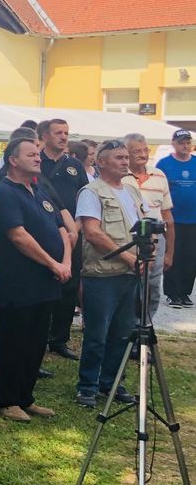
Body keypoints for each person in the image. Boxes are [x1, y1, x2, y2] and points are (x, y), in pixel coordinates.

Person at [0, 138, 71, 421]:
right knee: (15, 341)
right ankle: (8, 400)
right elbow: (18, 236)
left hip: (47, 281)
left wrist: (65, 262)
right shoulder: (4, 192)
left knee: (36, 341)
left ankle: (26, 397)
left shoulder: (39, 190)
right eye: (31, 154)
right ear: (13, 160)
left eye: (38, 154)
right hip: (19, 282)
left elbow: (62, 229)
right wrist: (52, 263)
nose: (38, 158)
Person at [75, 139, 146, 409]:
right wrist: (127, 257)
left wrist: (143, 255)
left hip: (130, 274)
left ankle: (112, 383)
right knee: (97, 334)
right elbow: (92, 233)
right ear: (101, 162)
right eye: (118, 157)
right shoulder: (91, 192)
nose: (125, 162)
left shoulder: (132, 191)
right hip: (102, 275)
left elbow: (142, 227)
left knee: (122, 333)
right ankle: (87, 386)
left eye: (126, 157)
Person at [36, 119, 87, 361]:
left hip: (72, 232)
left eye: (66, 132)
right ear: (45, 136)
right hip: (42, 231)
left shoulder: (74, 165)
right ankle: (38, 336)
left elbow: (84, 200)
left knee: (69, 286)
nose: (64, 137)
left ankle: (59, 339)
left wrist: (75, 230)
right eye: (58, 132)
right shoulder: (35, 160)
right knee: (42, 283)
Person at [123, 133, 174, 317]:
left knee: (153, 284)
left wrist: (169, 253)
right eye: (137, 151)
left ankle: (147, 323)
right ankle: (129, 325)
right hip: (128, 236)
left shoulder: (159, 175)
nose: (143, 154)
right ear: (126, 152)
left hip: (156, 238)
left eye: (145, 149)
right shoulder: (120, 176)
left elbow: (167, 216)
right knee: (131, 282)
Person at [157, 129, 196, 308]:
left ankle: (185, 292)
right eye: (181, 143)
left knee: (191, 257)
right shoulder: (164, 164)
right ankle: (172, 294)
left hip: (193, 219)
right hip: (173, 219)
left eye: (188, 142)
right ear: (173, 144)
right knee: (173, 256)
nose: (185, 146)